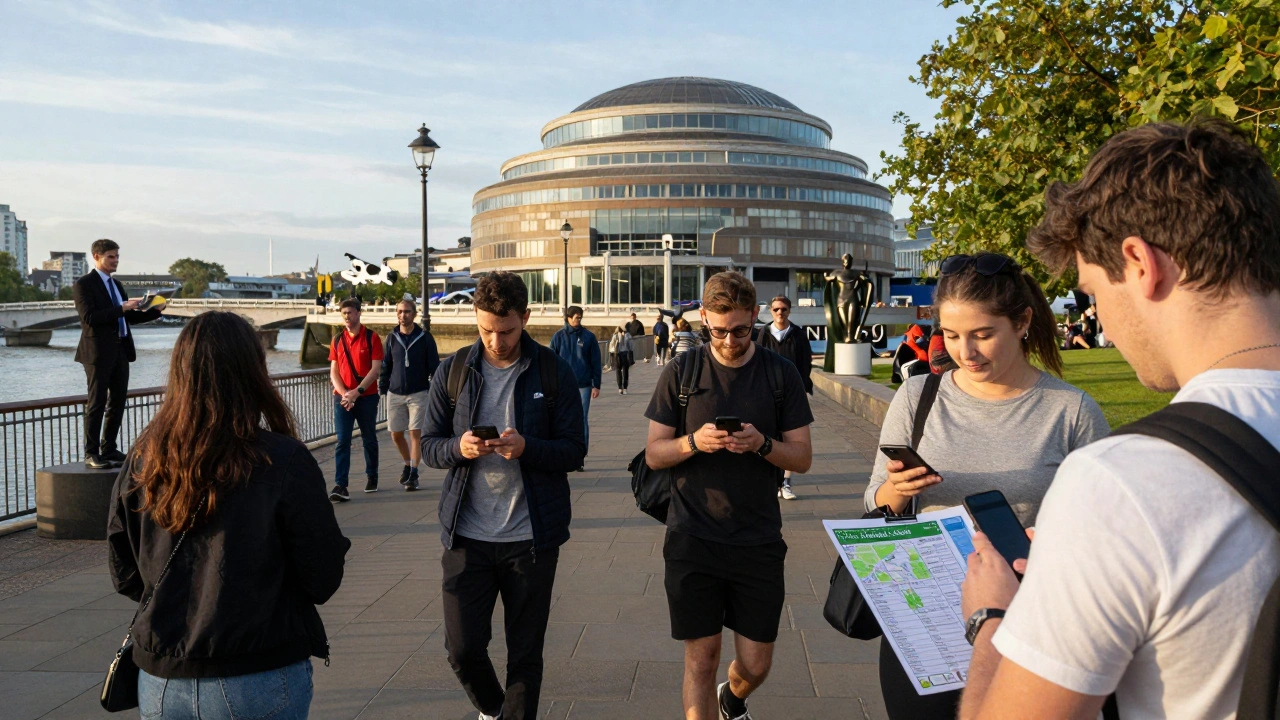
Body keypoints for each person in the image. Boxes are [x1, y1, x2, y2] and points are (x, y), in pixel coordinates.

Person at [958, 122, 1280, 719]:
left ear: (1139, 263)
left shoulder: (1124, 482)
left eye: (1090, 289)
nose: (1099, 314)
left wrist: (991, 619)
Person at [862, 250, 1109, 718]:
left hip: (1031, 622)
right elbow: (876, 496)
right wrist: (899, 489)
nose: (965, 353)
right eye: (951, 336)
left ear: (1022, 323)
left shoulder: (1071, 411)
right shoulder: (918, 396)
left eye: (982, 335)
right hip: (925, 619)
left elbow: (1103, 535)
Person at [107, 312, 350, 720]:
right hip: (258, 667)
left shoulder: (143, 458)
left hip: (163, 676)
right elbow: (322, 577)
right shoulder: (283, 459)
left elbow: (123, 570)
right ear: (253, 373)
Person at [644, 272, 814, 720]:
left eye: (740, 330)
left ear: (755, 316)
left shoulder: (781, 374)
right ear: (703, 317)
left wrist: (762, 444)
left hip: (757, 537)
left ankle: (733, 698)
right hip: (692, 535)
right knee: (701, 657)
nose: (730, 340)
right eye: (718, 330)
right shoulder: (683, 370)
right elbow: (655, 454)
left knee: (757, 663)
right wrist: (694, 442)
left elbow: (802, 458)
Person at [421, 272, 586, 720]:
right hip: (467, 535)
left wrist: (527, 447)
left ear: (526, 318)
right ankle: (495, 710)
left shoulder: (553, 371)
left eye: (507, 330)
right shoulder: (453, 370)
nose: (496, 340)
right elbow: (429, 446)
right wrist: (460, 448)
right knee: (462, 649)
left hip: (530, 538)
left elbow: (575, 449)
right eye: (486, 329)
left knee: (525, 654)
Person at [73, 238, 163, 469]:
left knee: (118, 401)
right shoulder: (84, 284)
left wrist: (154, 311)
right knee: (97, 402)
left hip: (121, 350)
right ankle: (91, 453)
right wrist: (121, 308)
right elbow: (90, 318)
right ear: (96, 256)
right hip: (97, 353)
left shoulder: (116, 284)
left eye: (117, 257)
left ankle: (109, 448)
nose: (116, 261)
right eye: (110, 257)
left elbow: (127, 317)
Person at [755, 295, 815, 502]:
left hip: (791, 395)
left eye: (784, 309)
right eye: (776, 309)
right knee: (771, 437)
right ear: (771, 311)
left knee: (791, 440)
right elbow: (757, 361)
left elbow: (805, 363)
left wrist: (802, 388)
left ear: (789, 311)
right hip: (767, 393)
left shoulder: (798, 334)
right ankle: (773, 481)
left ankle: (786, 483)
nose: (780, 313)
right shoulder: (764, 332)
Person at [379, 298, 440, 491]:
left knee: (415, 433)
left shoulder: (424, 337)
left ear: (414, 314)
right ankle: (407, 463)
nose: (402, 315)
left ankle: (413, 473)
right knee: (396, 434)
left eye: (406, 312)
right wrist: (382, 387)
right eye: (399, 312)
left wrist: (436, 389)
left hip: (418, 393)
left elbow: (434, 367)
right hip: (395, 392)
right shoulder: (391, 338)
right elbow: (385, 365)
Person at [328, 297, 383, 501]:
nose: (347, 317)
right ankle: (341, 485)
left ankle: (372, 475)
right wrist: (345, 394)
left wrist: (356, 392)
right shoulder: (337, 340)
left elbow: (375, 370)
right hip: (342, 399)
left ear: (359, 313)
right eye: (344, 314)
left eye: (350, 313)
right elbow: (333, 371)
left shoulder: (371, 338)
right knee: (342, 441)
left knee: (369, 438)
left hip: (366, 397)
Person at [550, 305, 601, 463]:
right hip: (562, 385)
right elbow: (551, 361)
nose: (578, 320)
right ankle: (563, 451)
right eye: (576, 317)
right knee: (561, 418)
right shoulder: (558, 337)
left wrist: (596, 384)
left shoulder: (588, 337)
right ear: (568, 318)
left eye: (580, 317)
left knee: (581, 419)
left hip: (583, 384)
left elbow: (595, 361)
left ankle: (580, 454)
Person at [608, 325, 634, 395]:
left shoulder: (615, 336)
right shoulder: (628, 335)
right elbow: (631, 346)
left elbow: (611, 346)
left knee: (618, 371)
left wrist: (611, 355)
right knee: (625, 372)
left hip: (616, 355)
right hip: (625, 355)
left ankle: (620, 388)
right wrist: (631, 357)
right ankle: (625, 388)